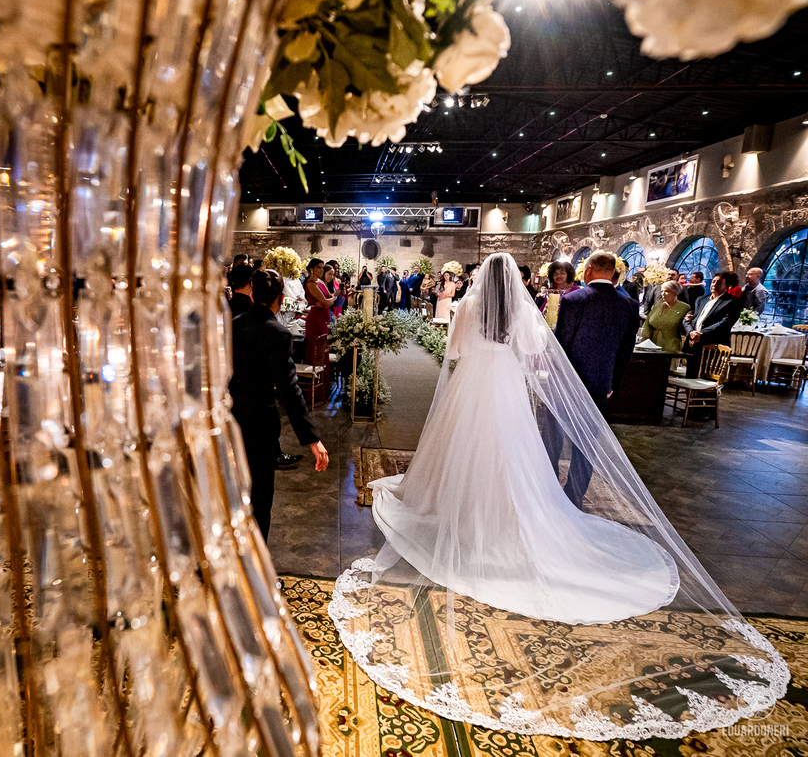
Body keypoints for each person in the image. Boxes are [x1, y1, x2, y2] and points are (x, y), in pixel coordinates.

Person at [330, 253, 783, 739]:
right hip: (506, 386)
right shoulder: (523, 309)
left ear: (483, 279)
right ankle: (507, 512)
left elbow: (456, 350)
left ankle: (453, 506)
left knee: (461, 447)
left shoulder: (469, 306)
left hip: (471, 386)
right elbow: (534, 352)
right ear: (514, 281)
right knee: (511, 455)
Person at [229, 269, 328, 539]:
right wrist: (312, 438)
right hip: (260, 426)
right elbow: (288, 389)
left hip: (230, 422)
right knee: (260, 500)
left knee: (232, 494)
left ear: (252, 294)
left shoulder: (232, 326)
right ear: (281, 299)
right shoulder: (278, 334)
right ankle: (257, 559)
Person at [547, 251, 640, 509]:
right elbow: (626, 352)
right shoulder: (629, 305)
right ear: (612, 273)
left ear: (588, 270)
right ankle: (574, 497)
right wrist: (612, 385)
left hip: (567, 382)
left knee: (553, 437)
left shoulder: (574, 299)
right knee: (586, 443)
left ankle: (547, 489)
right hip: (601, 384)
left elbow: (562, 344)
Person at [684, 270, 742, 378]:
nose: (714, 284)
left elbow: (725, 323)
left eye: (719, 282)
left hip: (713, 345)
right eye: (713, 282)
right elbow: (688, 318)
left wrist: (701, 334)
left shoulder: (732, 302)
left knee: (706, 379)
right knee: (690, 376)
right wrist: (691, 332)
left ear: (727, 286)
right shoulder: (701, 299)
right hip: (694, 344)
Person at [639, 280, 690, 353]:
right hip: (652, 346)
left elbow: (685, 327)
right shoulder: (657, 307)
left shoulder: (684, 308)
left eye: (667, 291)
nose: (663, 294)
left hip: (671, 347)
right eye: (662, 291)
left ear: (675, 292)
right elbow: (647, 326)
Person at [303, 258, 335, 363]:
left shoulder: (320, 281)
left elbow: (330, 297)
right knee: (316, 348)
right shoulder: (311, 283)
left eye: (322, 268)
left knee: (323, 347)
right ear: (312, 269)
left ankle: (322, 371)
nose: (322, 270)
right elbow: (327, 301)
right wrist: (327, 301)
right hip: (316, 319)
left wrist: (328, 300)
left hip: (323, 318)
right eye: (319, 267)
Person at [538, 260, 578, 327]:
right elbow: (544, 308)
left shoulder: (576, 291)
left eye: (562, 273)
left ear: (568, 274)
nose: (559, 276)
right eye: (556, 274)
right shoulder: (551, 291)